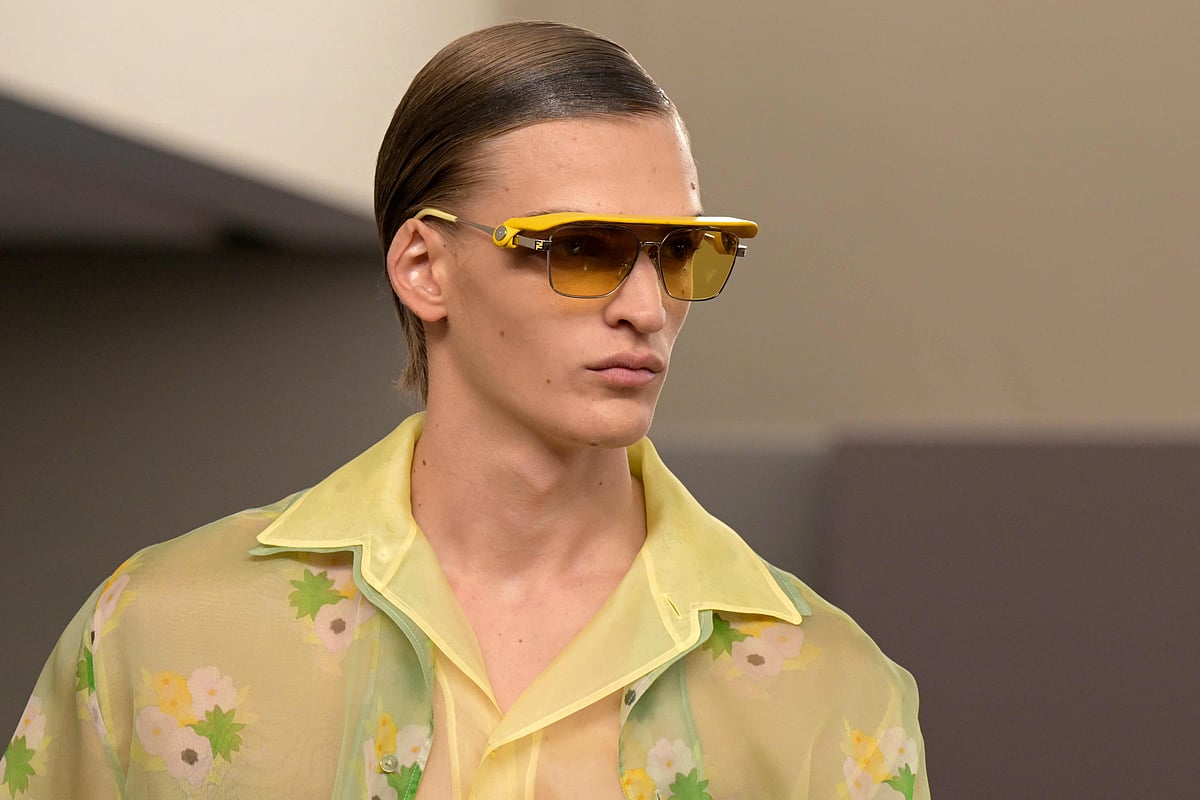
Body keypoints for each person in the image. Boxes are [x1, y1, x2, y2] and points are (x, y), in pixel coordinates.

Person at [1, 20, 928, 800]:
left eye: (679, 252)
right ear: (423, 268)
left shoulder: (833, 692)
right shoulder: (160, 631)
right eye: (586, 248)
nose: (647, 308)